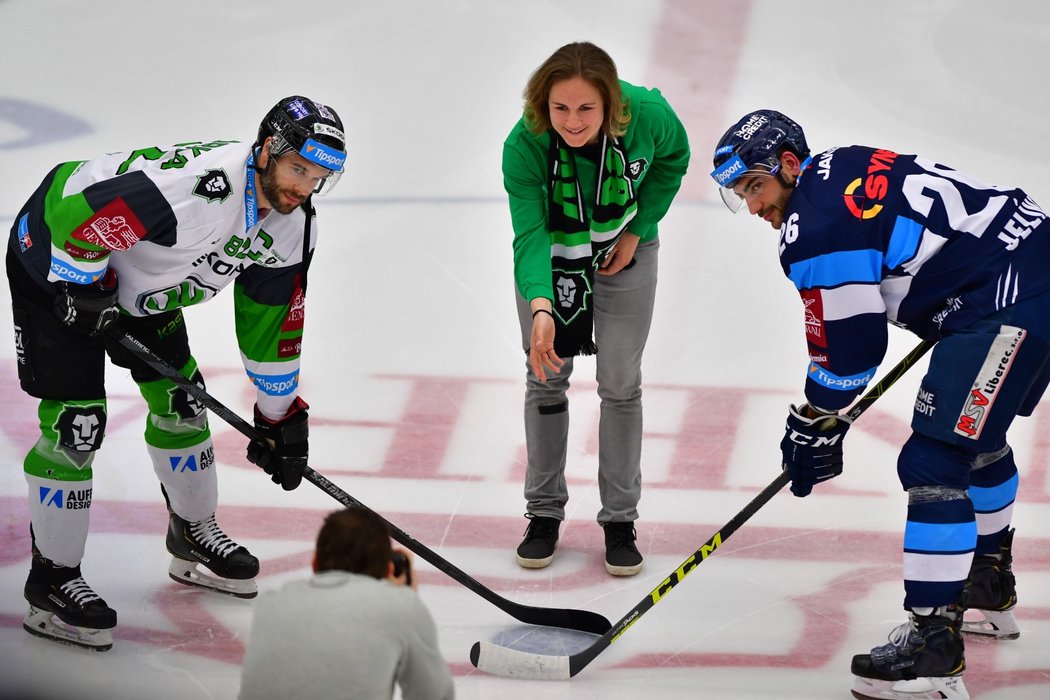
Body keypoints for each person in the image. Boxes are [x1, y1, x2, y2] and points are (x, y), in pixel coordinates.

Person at [710, 110, 1048, 700]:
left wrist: (817, 419)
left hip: (1007, 301)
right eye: (742, 196)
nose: (756, 208)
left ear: (789, 165)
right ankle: (987, 583)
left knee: (933, 461)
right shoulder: (840, 164)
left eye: (756, 186)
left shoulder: (812, 228)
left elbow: (851, 352)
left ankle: (933, 648)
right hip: (1029, 269)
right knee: (977, 440)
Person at [7, 95, 347, 651]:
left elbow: (271, 327)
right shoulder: (197, 191)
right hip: (55, 253)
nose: (304, 188)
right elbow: (78, 212)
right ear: (266, 151)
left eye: (319, 177)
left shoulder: (290, 223)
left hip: (140, 276)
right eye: (297, 169)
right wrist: (81, 286)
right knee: (77, 426)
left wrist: (278, 418)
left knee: (184, 402)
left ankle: (191, 533)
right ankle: (52, 579)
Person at [502, 42, 690, 577]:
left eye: (586, 108)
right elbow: (531, 232)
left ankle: (619, 521)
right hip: (554, 256)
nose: (572, 122)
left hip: (623, 251)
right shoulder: (525, 143)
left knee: (620, 384)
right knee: (545, 376)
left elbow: (674, 158)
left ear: (611, 104)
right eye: (560, 109)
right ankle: (543, 515)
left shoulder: (649, 116)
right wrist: (541, 305)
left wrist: (638, 226)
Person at [238, 507, 454, 700]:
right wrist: (407, 598)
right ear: (389, 570)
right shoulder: (402, 606)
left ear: (314, 563)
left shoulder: (273, 604)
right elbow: (434, 695)